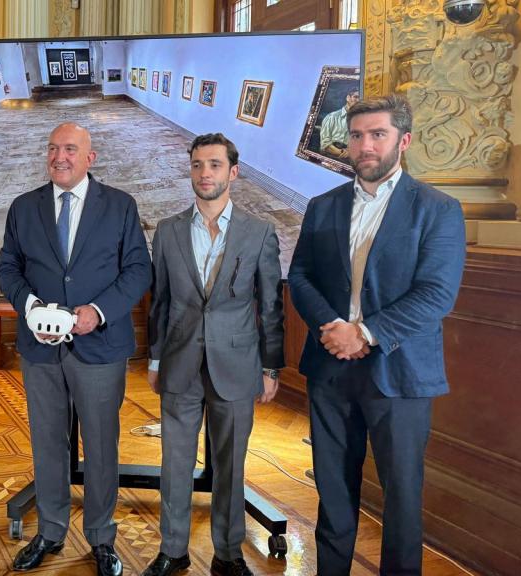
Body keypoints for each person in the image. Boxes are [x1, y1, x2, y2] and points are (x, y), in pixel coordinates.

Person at [288, 94, 466, 576]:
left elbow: (436, 295)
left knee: (402, 495)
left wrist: (364, 333)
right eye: (357, 136)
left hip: (401, 372)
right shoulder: (322, 206)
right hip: (330, 367)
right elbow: (301, 275)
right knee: (332, 488)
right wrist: (333, 328)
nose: (365, 146)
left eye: (378, 134)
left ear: (402, 141)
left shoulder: (438, 209)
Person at [0, 122, 151, 576]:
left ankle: (102, 538)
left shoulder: (120, 205)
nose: (59, 157)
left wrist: (97, 312)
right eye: (52, 149)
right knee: (47, 442)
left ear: (90, 157)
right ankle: (49, 531)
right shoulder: (24, 208)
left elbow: (138, 270)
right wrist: (31, 308)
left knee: (102, 445)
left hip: (100, 346)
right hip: (40, 350)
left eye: (69, 149)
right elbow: (8, 267)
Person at [143, 133, 283, 576]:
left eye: (215, 165)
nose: (205, 173)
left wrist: (270, 366)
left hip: (238, 366)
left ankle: (227, 554)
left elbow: (271, 306)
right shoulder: (167, 231)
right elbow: (160, 302)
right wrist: (154, 359)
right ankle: (173, 550)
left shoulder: (259, 233)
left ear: (233, 172)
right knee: (175, 466)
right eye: (198, 164)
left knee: (230, 467)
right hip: (180, 364)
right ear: (190, 170)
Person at [319, 89, 361, 159]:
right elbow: (325, 143)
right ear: (348, 98)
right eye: (356, 97)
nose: (358, 100)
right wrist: (343, 153)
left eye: (360, 99)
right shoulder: (332, 117)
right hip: (329, 155)